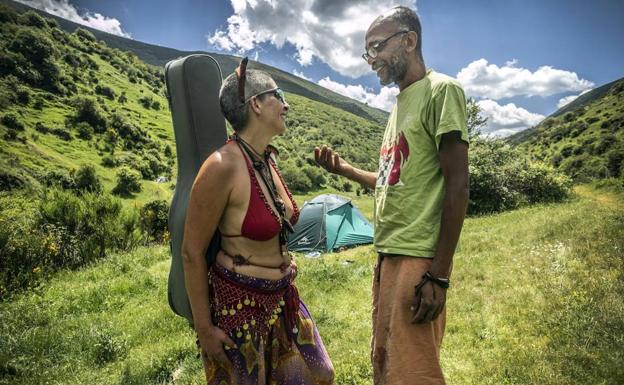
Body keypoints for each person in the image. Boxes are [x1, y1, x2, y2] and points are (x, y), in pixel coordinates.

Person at [315, 6, 469, 385]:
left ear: (409, 41)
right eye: (367, 52)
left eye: (377, 48)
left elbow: (458, 185)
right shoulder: (398, 106)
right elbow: (391, 180)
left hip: (418, 260)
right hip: (388, 256)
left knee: (413, 374)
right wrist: (346, 171)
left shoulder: (441, 91)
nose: (371, 61)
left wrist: (439, 275)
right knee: (386, 365)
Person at [182, 58, 334, 385]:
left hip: (283, 299)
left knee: (319, 374)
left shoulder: (266, 159)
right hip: (240, 308)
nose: (286, 104)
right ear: (256, 104)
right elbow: (191, 252)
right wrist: (204, 328)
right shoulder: (222, 165)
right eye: (277, 95)